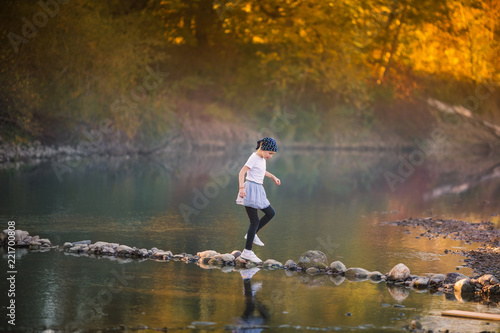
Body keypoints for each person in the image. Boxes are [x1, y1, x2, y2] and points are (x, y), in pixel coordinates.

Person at [236, 137, 280, 263]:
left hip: (258, 190)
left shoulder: (261, 159)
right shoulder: (254, 157)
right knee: (254, 221)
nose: (270, 156)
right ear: (263, 148)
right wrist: (241, 188)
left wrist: (273, 177)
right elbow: (241, 172)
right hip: (250, 189)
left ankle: (252, 234)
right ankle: (247, 252)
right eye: (270, 153)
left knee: (270, 213)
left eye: (272, 154)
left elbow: (261, 170)